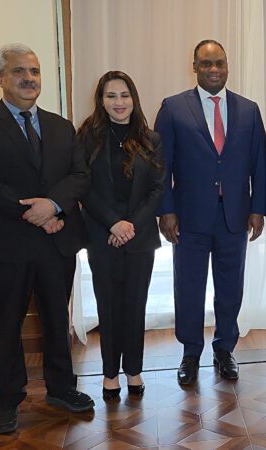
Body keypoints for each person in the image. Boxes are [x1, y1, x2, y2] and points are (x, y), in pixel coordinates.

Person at [0, 43, 93, 434]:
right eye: (19, 71)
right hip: (5, 245)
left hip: (56, 243)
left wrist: (53, 205)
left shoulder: (60, 126)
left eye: (34, 71)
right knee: (6, 324)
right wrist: (35, 213)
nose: (29, 79)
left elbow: (79, 176)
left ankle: (61, 390)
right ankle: (8, 399)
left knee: (57, 320)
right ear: (0, 78)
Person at [154, 39, 266, 385]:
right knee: (189, 286)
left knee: (230, 287)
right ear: (195, 67)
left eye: (219, 63)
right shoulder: (173, 108)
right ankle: (191, 352)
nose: (213, 69)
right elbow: (161, 166)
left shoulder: (248, 110)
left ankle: (224, 349)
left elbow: (259, 166)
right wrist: (166, 211)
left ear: (228, 66)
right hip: (188, 218)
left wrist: (258, 208)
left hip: (234, 215)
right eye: (206, 64)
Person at [77, 71, 165, 400]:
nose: (119, 102)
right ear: (101, 100)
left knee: (134, 305)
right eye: (111, 95)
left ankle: (134, 370)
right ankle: (110, 373)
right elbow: (83, 186)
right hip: (101, 235)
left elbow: (156, 190)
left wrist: (130, 225)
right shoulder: (87, 136)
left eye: (125, 95)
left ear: (134, 99)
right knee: (109, 306)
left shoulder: (150, 138)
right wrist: (114, 223)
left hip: (140, 237)